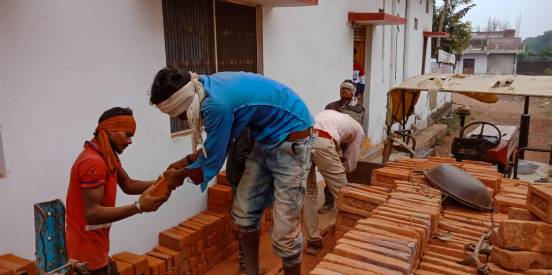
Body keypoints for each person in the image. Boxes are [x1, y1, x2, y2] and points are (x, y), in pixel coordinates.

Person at [149, 68, 315, 275]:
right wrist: (184, 162)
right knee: (244, 212)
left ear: (184, 101)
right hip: (264, 141)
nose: (182, 119)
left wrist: (180, 176)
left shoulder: (215, 105)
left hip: (293, 144)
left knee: (284, 233)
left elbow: (215, 157)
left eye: (178, 113)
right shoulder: (205, 88)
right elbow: (222, 140)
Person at [65, 107, 192, 275]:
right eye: (128, 134)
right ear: (110, 130)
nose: (130, 141)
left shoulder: (106, 155)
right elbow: (92, 214)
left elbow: (128, 184)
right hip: (85, 251)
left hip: (97, 245)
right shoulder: (93, 162)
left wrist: (163, 182)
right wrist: (139, 207)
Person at [304, 110, 365, 255]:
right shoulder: (359, 129)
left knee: (309, 193)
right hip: (323, 142)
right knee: (343, 194)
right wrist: (341, 168)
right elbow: (351, 163)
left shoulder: (330, 114)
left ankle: (313, 241)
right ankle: (347, 239)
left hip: (302, 140)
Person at [318, 80, 365, 214]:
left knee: (345, 172)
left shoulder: (359, 108)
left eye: (348, 89)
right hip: (331, 142)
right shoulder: (331, 105)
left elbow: (355, 124)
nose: (345, 90)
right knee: (330, 172)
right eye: (343, 88)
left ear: (353, 92)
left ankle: (345, 202)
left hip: (348, 143)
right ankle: (329, 202)